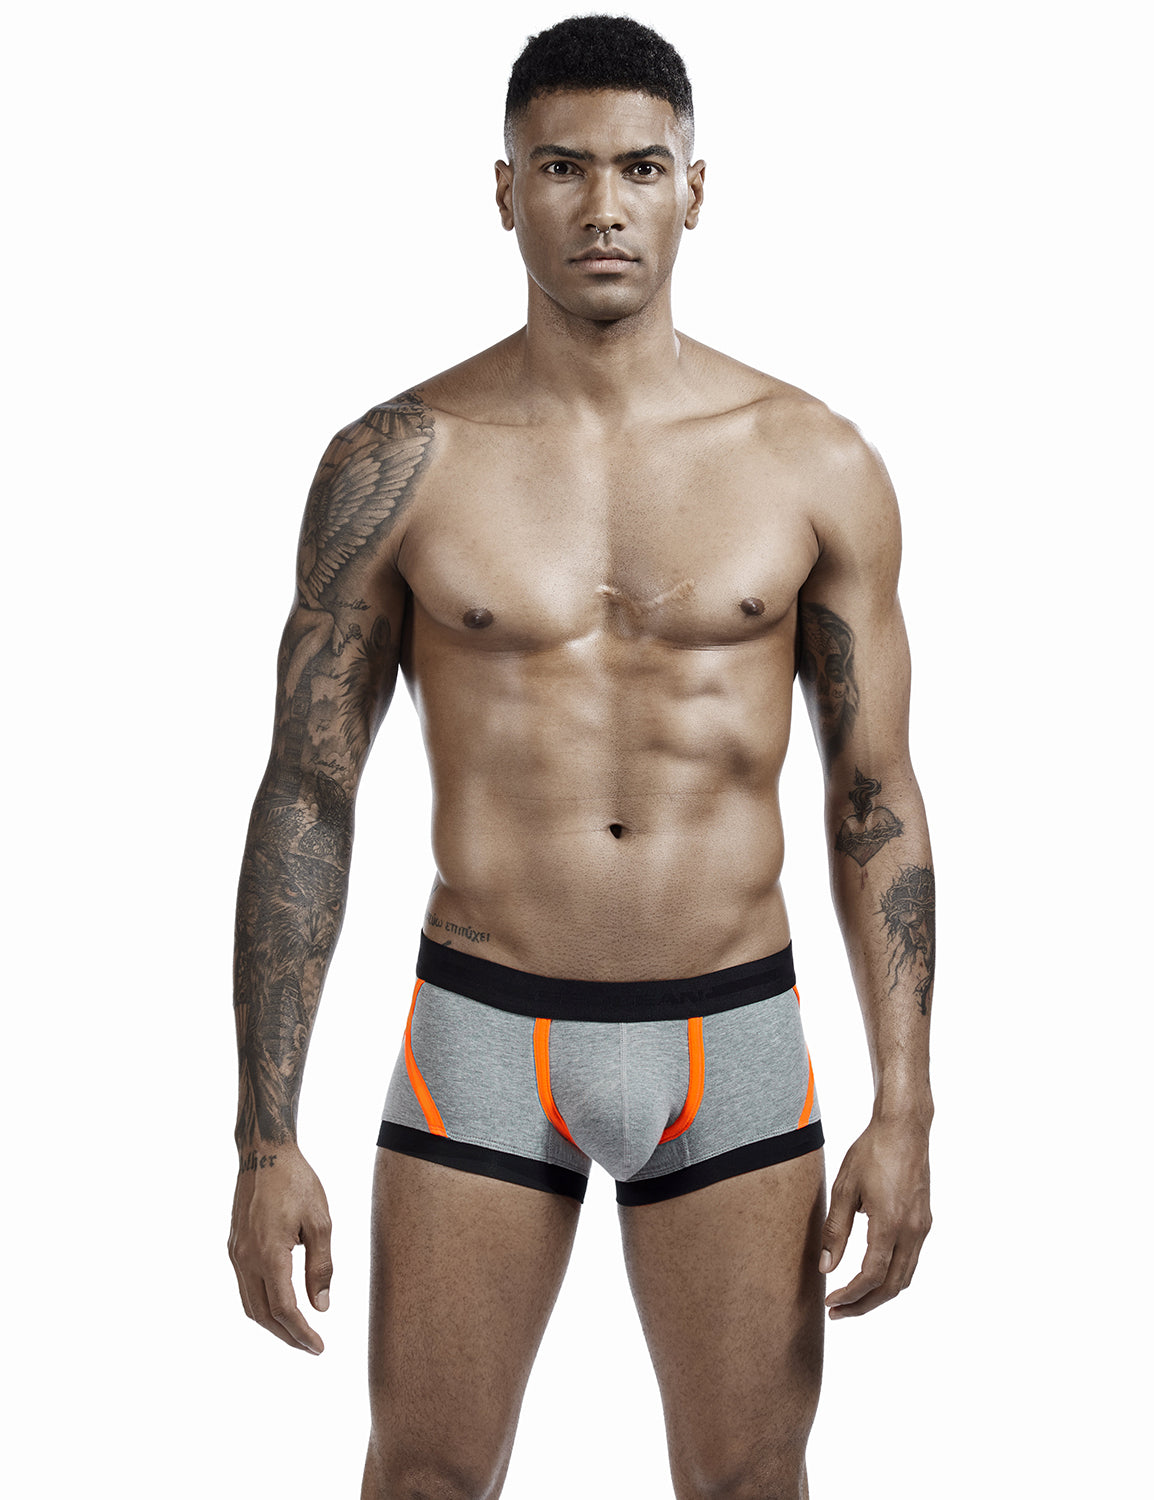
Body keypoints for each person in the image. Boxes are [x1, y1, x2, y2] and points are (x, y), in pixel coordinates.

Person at [228, 15, 935, 1498]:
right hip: (484, 1029)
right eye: (561, 167)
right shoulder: (398, 460)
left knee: (750, 1482)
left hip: (731, 1031)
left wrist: (907, 1107)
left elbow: (872, 793)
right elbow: (308, 791)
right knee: (423, 1478)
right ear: (504, 191)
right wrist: (263, 1137)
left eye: (638, 168)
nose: (602, 205)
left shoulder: (811, 460)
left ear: (695, 189)